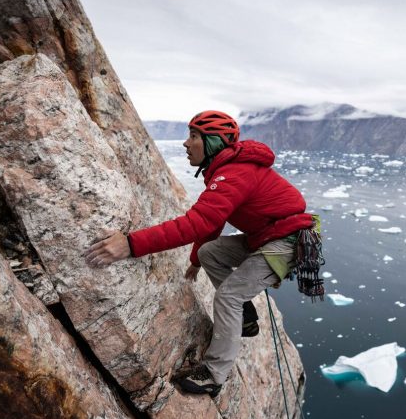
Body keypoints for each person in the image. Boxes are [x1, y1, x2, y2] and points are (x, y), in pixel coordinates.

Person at [84, 110, 314, 397]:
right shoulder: (225, 170)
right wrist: (196, 260)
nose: (185, 143)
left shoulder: (235, 173)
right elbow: (212, 222)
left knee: (229, 295)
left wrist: (130, 244)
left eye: (194, 136)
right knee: (210, 252)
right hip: (267, 237)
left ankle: (214, 375)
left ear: (214, 142)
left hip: (284, 242)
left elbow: (195, 223)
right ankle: (245, 318)